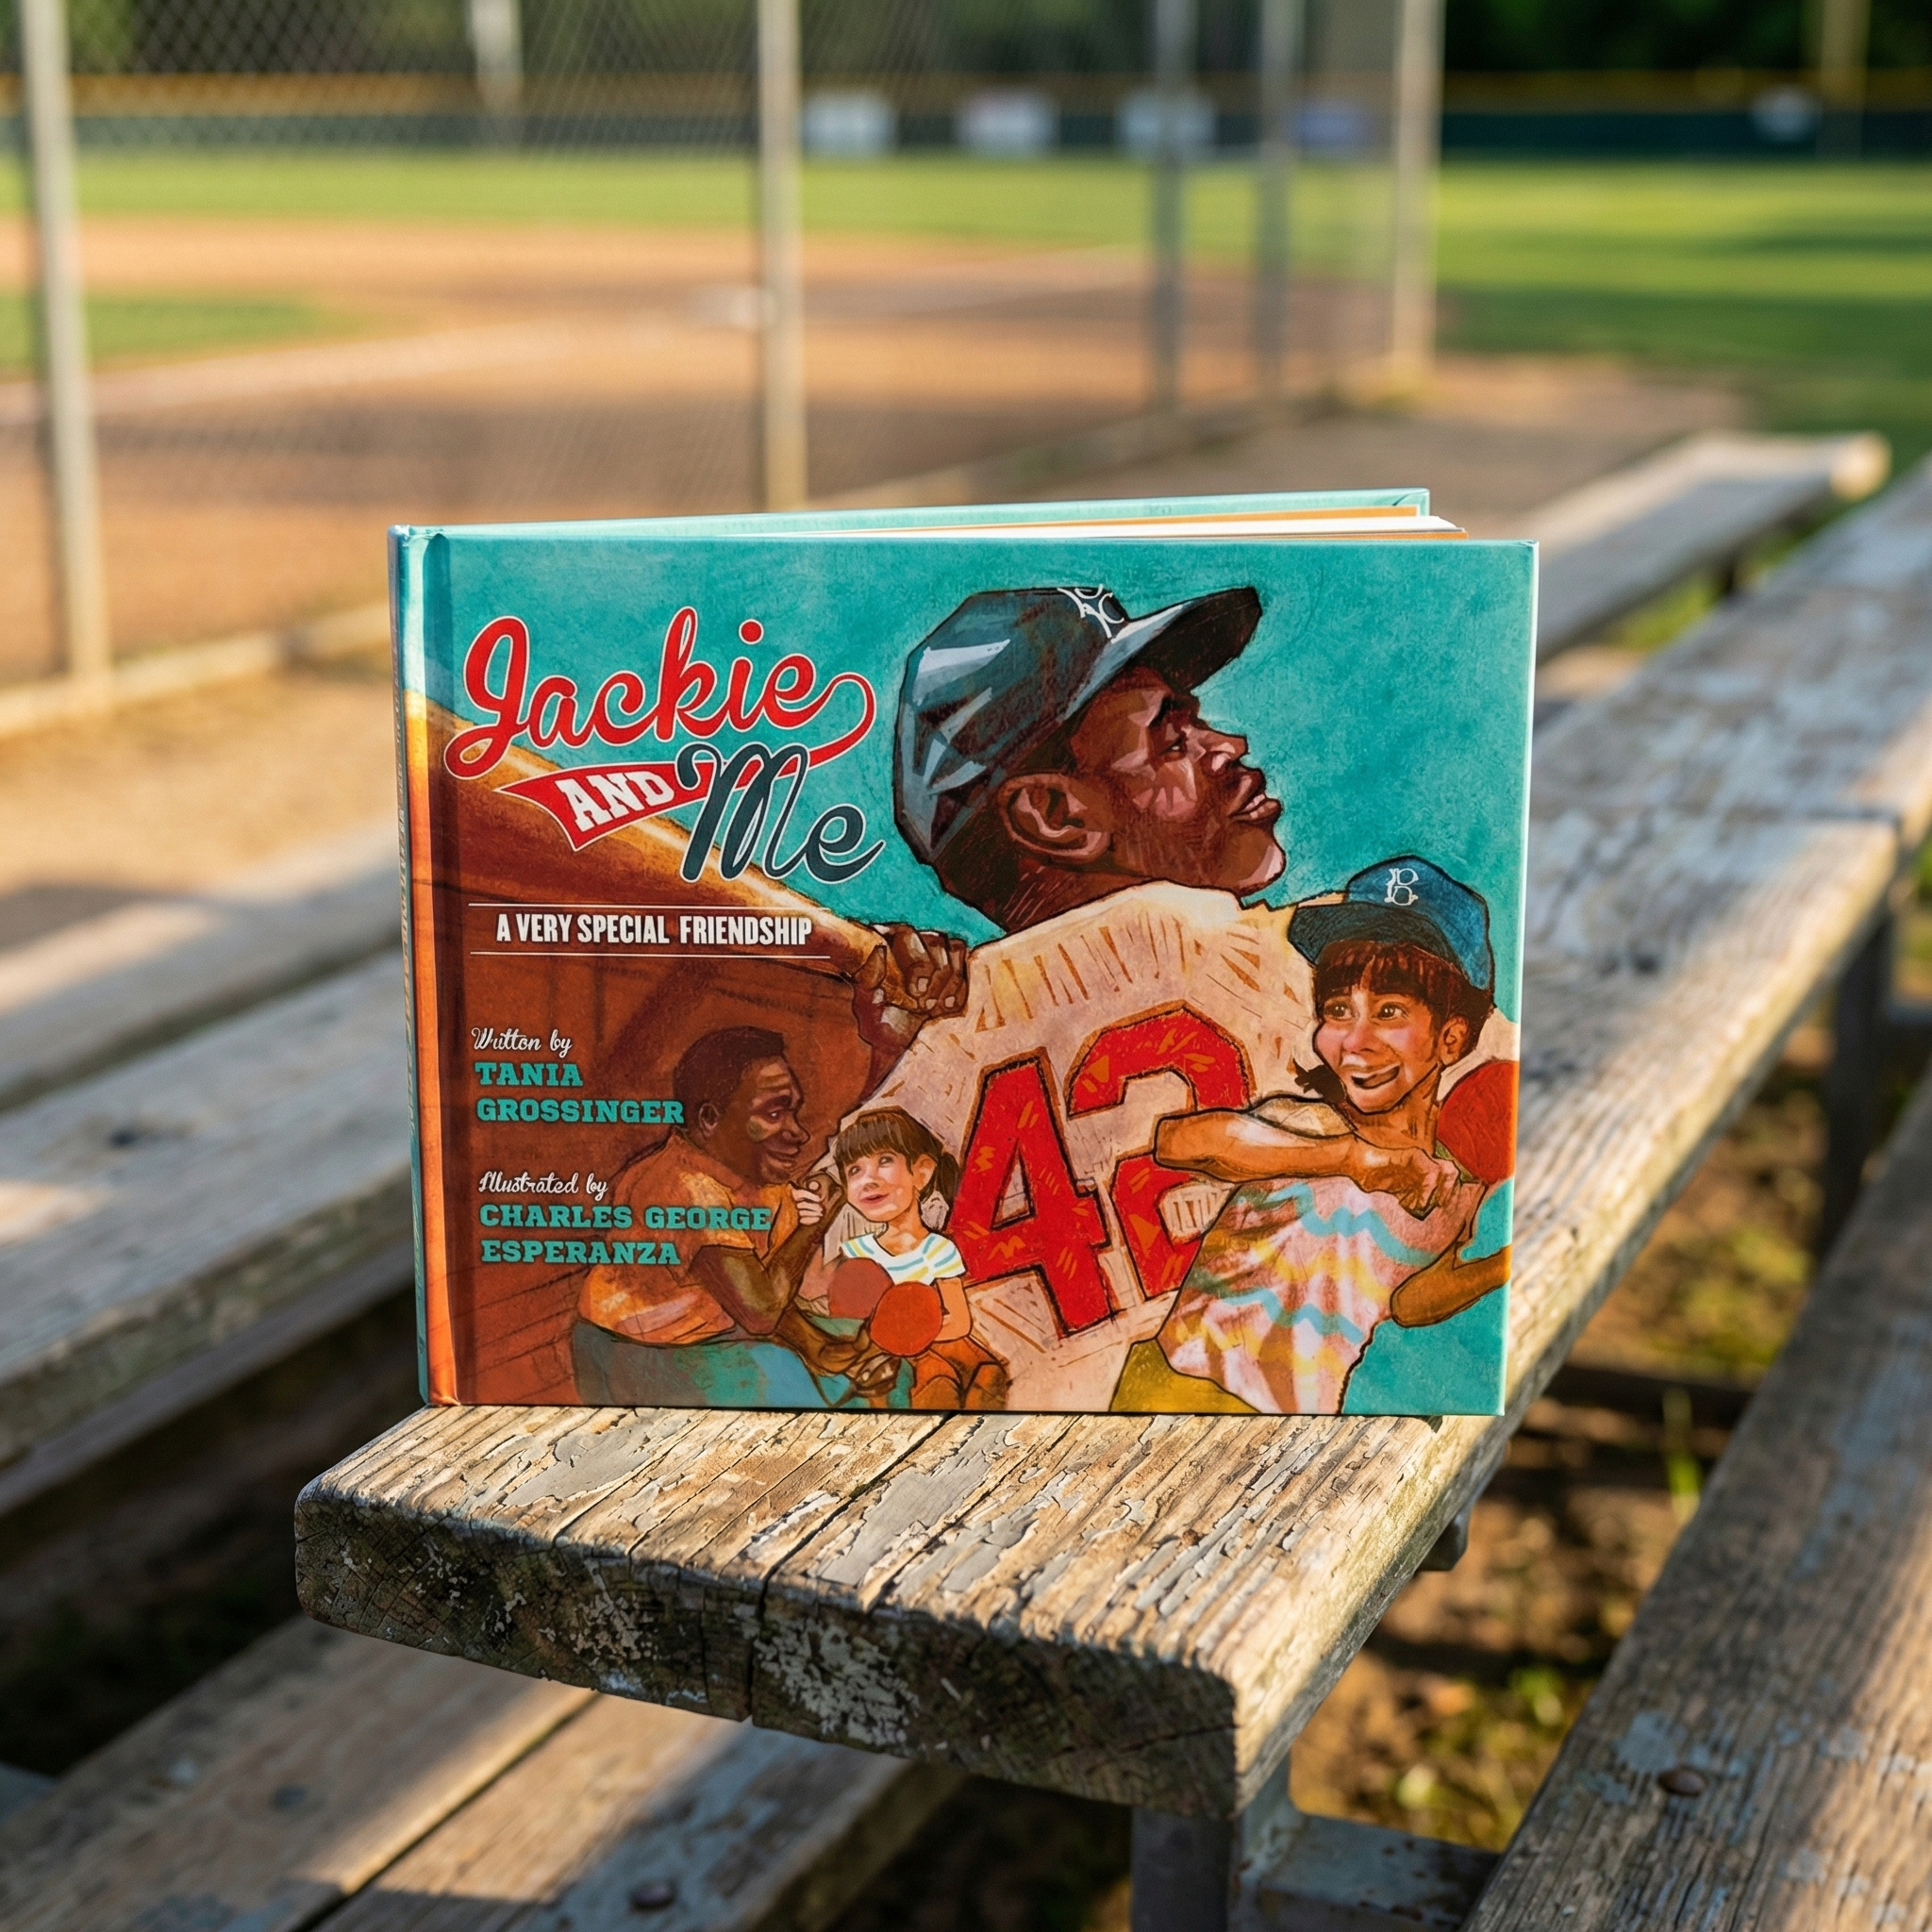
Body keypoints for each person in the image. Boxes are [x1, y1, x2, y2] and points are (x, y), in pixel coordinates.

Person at [1112, 857, 1516, 1415]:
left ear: (1452, 1038)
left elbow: (1408, 1300)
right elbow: (1184, 1142)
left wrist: (1504, 1264)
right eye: (1338, 1010)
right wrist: (1350, 1158)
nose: (1354, 1041)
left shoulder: (1453, 1188)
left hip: (1296, 1420)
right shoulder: (1309, 1124)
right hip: (1178, 1386)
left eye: (1390, 1010)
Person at [573, 1025, 891, 1407]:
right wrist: (816, 1222)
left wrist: (823, 1351)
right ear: (709, 1118)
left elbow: (763, 1287)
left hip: (713, 1334)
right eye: (774, 1113)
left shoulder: (758, 1178)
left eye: (792, 1111)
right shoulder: (685, 1188)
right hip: (630, 1356)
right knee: (793, 1391)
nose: (798, 1133)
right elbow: (760, 1311)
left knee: (877, 1364)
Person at [810, 1108, 1008, 1410]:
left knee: (986, 1371)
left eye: (885, 1161)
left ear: (922, 1173)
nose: (869, 1179)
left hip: (939, 1340)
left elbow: (959, 1322)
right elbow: (850, 1322)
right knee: (935, 1377)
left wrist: (913, 1335)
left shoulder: (937, 1250)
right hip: (886, 1354)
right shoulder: (856, 1253)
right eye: (854, 1170)